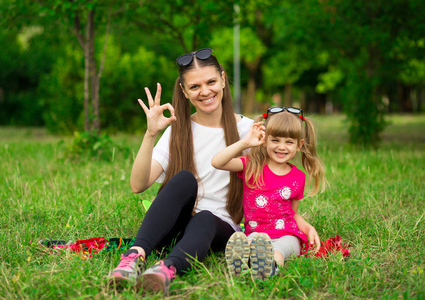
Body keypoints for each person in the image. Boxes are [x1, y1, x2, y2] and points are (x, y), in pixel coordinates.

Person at [108, 48, 254, 295]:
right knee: (185, 179)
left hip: (219, 228)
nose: (205, 91)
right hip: (176, 226)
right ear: (184, 92)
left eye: (211, 82)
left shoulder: (248, 131)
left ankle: (165, 270)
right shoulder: (179, 129)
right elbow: (138, 185)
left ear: (223, 79)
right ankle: (134, 256)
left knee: (206, 216)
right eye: (195, 86)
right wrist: (150, 133)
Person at [211, 107, 326, 280]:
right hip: (256, 234)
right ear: (264, 140)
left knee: (279, 251)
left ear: (299, 145)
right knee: (251, 242)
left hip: (287, 235)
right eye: (275, 140)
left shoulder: (297, 177)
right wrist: (245, 143)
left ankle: (269, 269)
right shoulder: (252, 165)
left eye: (289, 142)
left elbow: (293, 213)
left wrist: (308, 228)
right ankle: (242, 263)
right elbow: (217, 162)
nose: (281, 147)